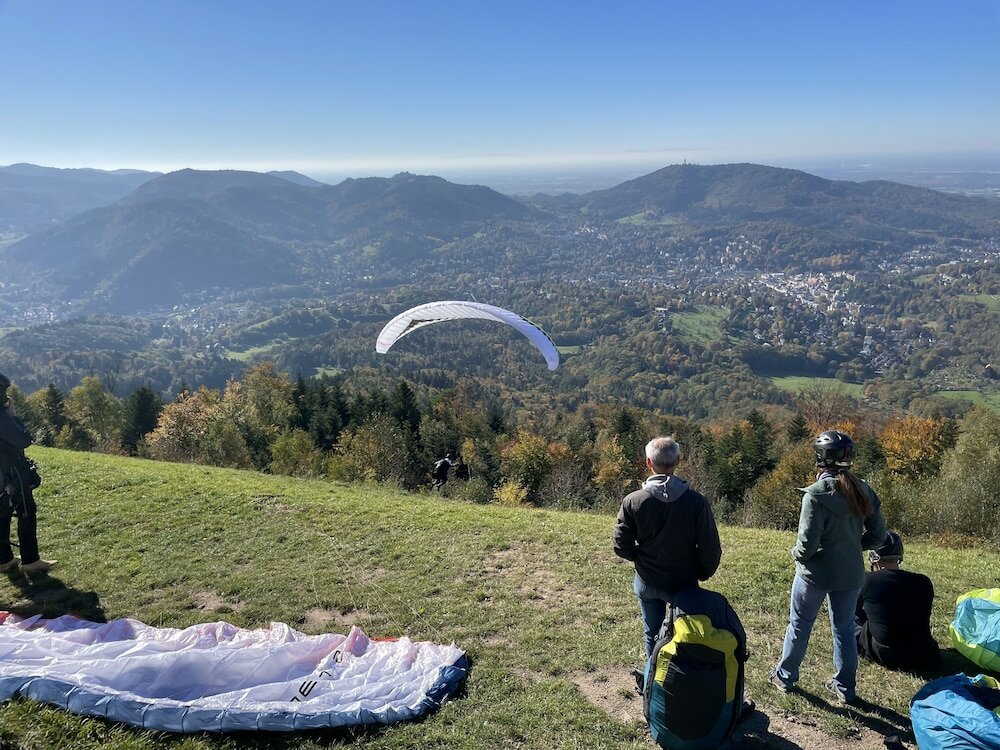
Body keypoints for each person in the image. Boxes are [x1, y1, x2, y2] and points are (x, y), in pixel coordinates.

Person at [770, 430, 886, 705]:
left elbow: (806, 546)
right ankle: (845, 689)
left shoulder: (815, 495)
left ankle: (785, 677)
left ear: (820, 460)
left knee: (799, 624)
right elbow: (879, 535)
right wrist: (853, 547)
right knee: (844, 629)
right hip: (850, 574)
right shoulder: (863, 489)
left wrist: (796, 554)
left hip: (814, 574)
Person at [613, 436, 722, 658]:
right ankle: (679, 682)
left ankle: (652, 685)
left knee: (652, 633)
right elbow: (710, 547)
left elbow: (620, 544)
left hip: (647, 580)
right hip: (684, 581)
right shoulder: (696, 502)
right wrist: (702, 572)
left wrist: (639, 557)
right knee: (684, 633)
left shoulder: (634, 501)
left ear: (648, 463)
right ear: (678, 461)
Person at [855, 531, 941, 671]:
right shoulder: (924, 582)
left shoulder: (867, 580)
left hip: (887, 654)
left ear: (873, 557)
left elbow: (855, 612)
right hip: (922, 653)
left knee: (851, 619)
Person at [0, 373, 56, 575]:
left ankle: (4, 559)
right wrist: (13, 416)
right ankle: (30, 561)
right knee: (26, 512)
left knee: (2, 515)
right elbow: (23, 440)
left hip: (1, 475)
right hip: (12, 472)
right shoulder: (2, 418)